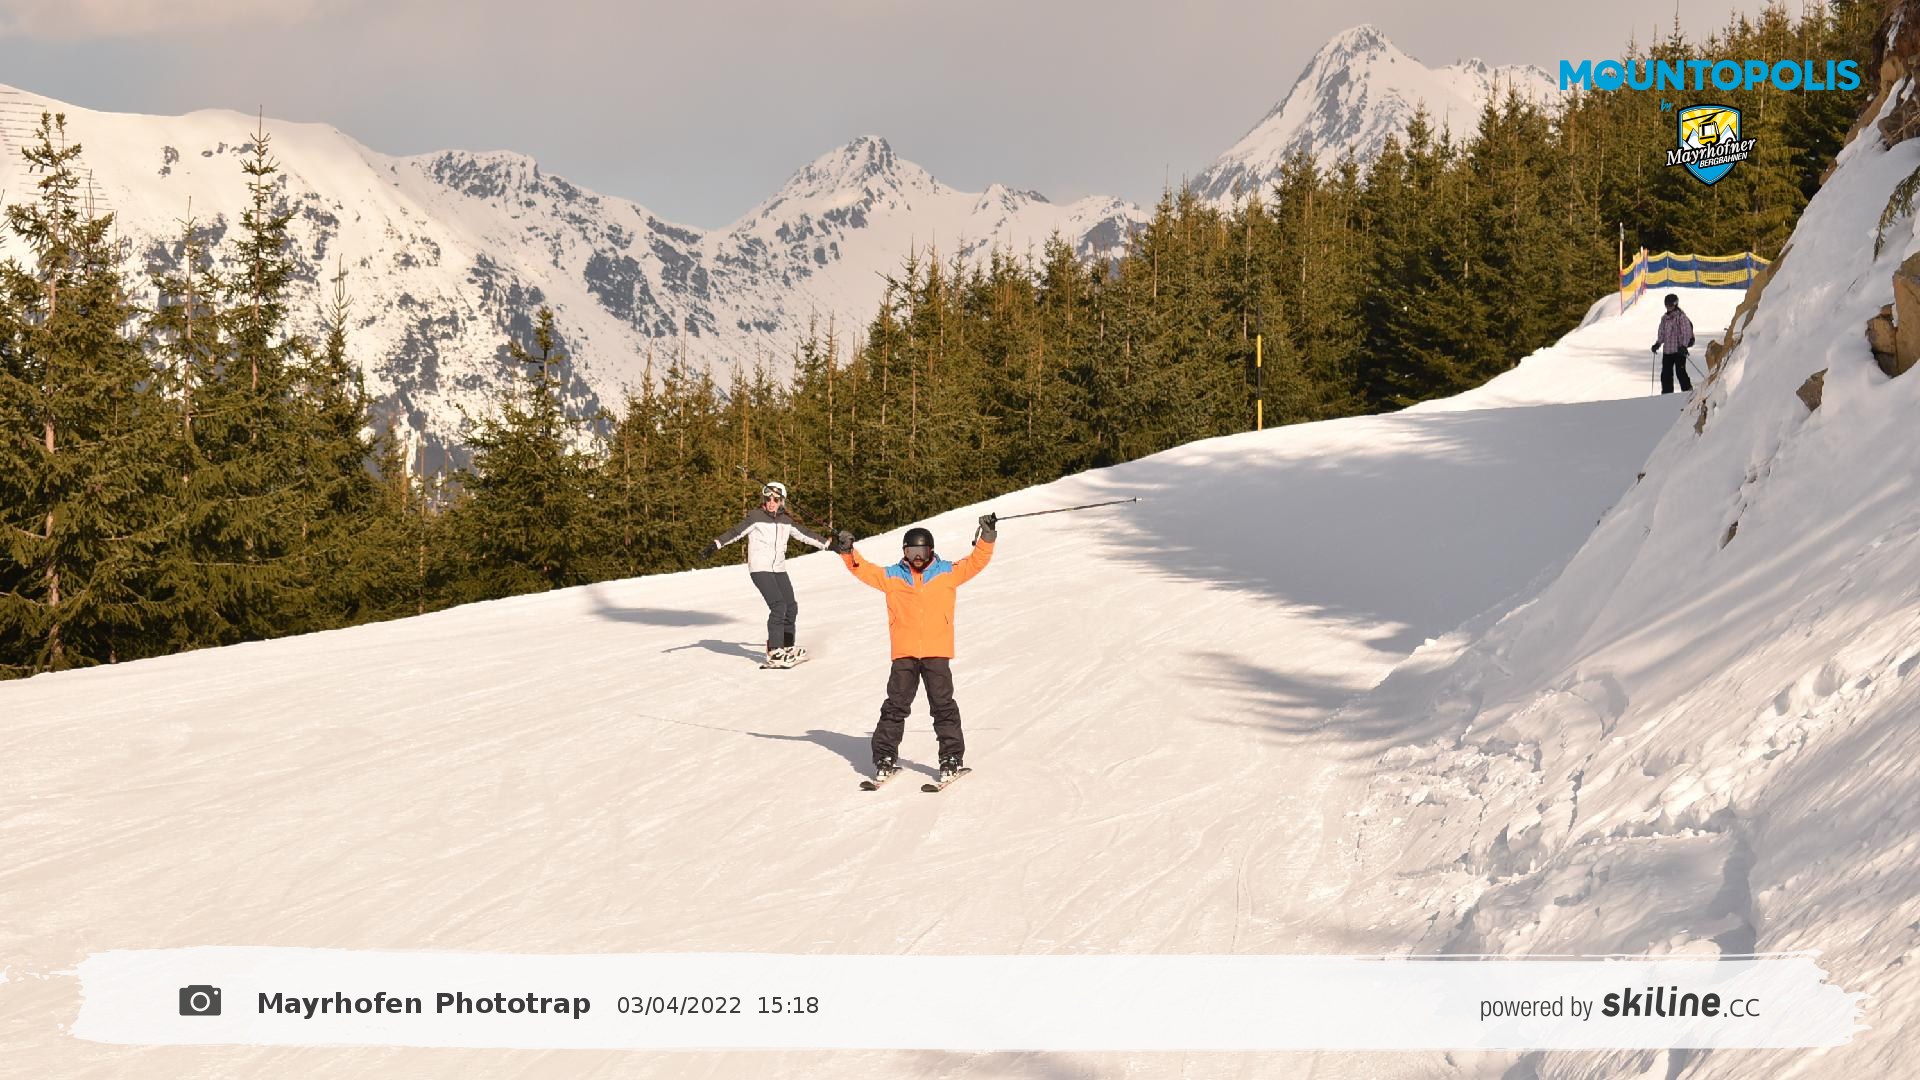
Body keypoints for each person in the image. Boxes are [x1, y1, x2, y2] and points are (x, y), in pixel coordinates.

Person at [831, 514, 997, 784]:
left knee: (943, 706)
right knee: (895, 707)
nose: (917, 557)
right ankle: (884, 757)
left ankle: (950, 758)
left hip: (936, 651)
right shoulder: (893, 576)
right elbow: (864, 570)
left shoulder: (947, 572)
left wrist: (987, 536)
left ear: (931, 551)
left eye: (922, 552)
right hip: (905, 653)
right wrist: (848, 551)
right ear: (904, 553)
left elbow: (976, 562)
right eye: (911, 552)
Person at [705, 482, 829, 668]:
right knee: (778, 606)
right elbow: (735, 532)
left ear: (782, 501)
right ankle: (774, 652)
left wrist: (829, 545)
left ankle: (787, 647)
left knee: (791, 606)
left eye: (776, 499)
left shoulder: (786, 520)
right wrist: (716, 544)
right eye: (768, 499)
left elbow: (806, 534)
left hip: (778, 568)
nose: (771, 502)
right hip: (760, 568)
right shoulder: (756, 517)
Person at [1651, 292, 1695, 395]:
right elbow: (1662, 333)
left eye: (1670, 305)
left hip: (1679, 350)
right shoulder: (1664, 318)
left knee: (1680, 372)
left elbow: (1686, 332)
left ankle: (1687, 392)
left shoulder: (1681, 317)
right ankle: (1667, 394)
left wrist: (1684, 345)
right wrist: (1657, 344)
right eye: (1666, 305)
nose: (1668, 307)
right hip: (1668, 351)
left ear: (1675, 304)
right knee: (1666, 374)